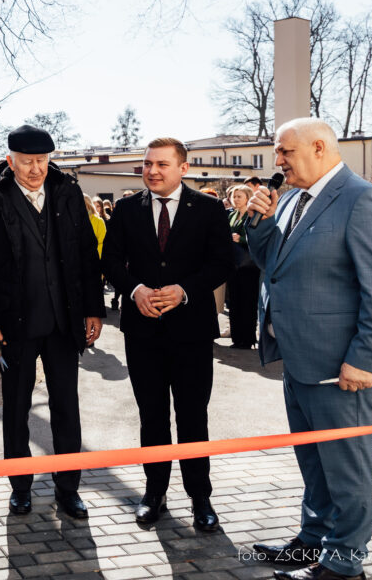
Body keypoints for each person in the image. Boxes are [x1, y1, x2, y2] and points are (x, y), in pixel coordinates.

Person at [247, 118, 372, 580]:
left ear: (319, 147)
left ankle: (343, 564)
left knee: (346, 470)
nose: (277, 161)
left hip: (342, 367)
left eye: (284, 152)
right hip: (298, 361)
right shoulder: (294, 198)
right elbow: (273, 266)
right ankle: (311, 542)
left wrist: (364, 357)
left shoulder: (364, 200)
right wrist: (258, 221)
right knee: (314, 463)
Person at [0, 125, 104, 518]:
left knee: (66, 407)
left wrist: (93, 309)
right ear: (9, 161)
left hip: (63, 324)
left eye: (42, 160)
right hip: (14, 326)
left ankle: (68, 487)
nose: (35, 169)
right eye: (27, 162)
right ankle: (20, 486)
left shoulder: (68, 191)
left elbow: (86, 256)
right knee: (16, 409)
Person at [100, 137, 233, 532]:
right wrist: (135, 289)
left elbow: (223, 261)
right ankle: (153, 493)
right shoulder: (126, 209)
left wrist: (185, 290)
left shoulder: (208, 209)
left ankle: (201, 497)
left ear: (183, 168)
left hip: (191, 331)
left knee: (193, 416)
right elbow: (109, 260)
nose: (152, 171)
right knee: (152, 416)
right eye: (146, 164)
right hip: (142, 331)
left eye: (161, 164)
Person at [227, 184, 260, 349]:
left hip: (249, 266)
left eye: (239, 196)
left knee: (248, 302)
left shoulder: (252, 216)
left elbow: (258, 239)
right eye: (234, 196)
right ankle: (237, 337)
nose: (235, 199)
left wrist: (240, 239)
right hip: (233, 265)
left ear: (248, 197)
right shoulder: (232, 215)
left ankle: (247, 338)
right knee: (234, 302)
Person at [83, 193, 106, 257]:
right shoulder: (72, 221)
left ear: (88, 205)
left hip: (93, 260)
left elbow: (102, 243)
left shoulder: (98, 221)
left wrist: (96, 258)